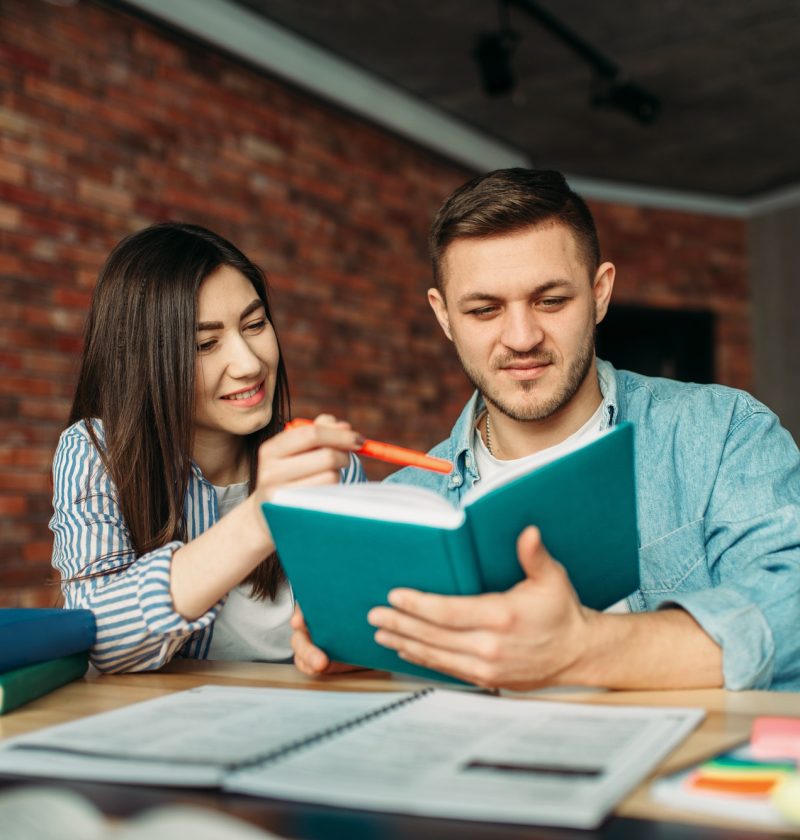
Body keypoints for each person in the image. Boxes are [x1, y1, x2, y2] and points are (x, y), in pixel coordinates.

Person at [292, 168, 800, 691]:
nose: (521, 337)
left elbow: (791, 606)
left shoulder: (721, 434)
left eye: (550, 301)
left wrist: (582, 650)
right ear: (444, 317)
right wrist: (365, 648)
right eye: (485, 309)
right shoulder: (409, 502)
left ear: (600, 293)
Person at [50, 222, 364, 673]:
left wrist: (353, 648)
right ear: (144, 360)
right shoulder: (98, 452)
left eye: (255, 325)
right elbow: (99, 638)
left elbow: (357, 629)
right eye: (205, 344)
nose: (248, 363)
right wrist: (259, 519)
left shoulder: (320, 462)